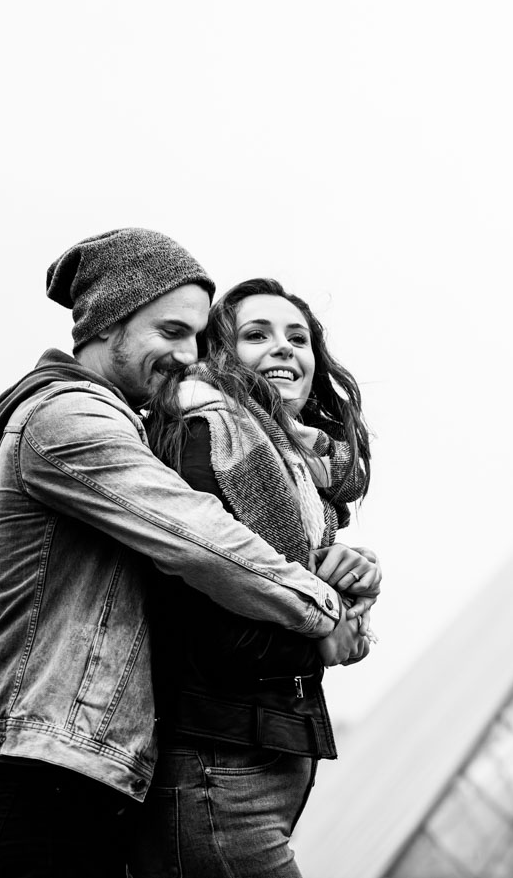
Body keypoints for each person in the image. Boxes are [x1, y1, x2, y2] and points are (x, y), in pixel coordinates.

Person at [0, 230, 353, 878]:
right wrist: (322, 610)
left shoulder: (116, 422)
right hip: (42, 778)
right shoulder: (65, 418)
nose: (188, 354)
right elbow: (201, 538)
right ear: (109, 320)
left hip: (82, 775)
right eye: (170, 330)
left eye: (196, 335)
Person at [132, 277, 379, 878]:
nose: (283, 349)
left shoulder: (294, 470)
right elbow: (199, 610)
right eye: (256, 335)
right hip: (218, 762)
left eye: (298, 337)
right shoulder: (206, 436)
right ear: (219, 352)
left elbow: (279, 577)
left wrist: (346, 578)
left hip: (255, 756)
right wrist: (322, 624)